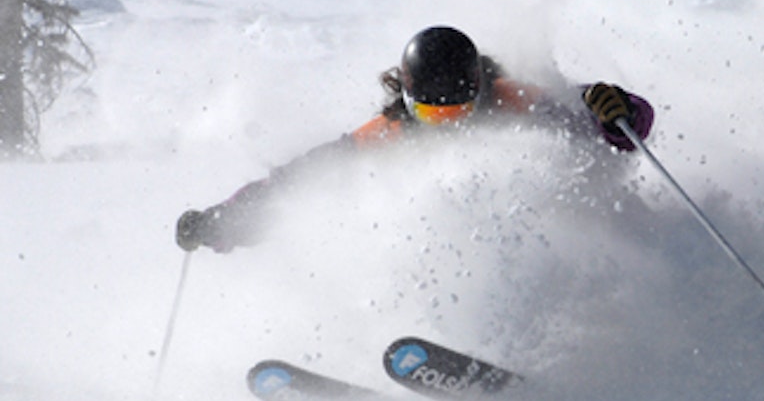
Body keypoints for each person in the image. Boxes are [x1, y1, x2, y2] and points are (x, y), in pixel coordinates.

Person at [175, 25, 654, 253]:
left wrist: (614, 109)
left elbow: (621, 130)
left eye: (458, 111)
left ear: (480, 92)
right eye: (430, 112)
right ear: (407, 99)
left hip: (581, 243)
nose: (446, 124)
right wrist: (224, 221)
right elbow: (297, 186)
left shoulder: (518, 102)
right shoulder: (387, 135)